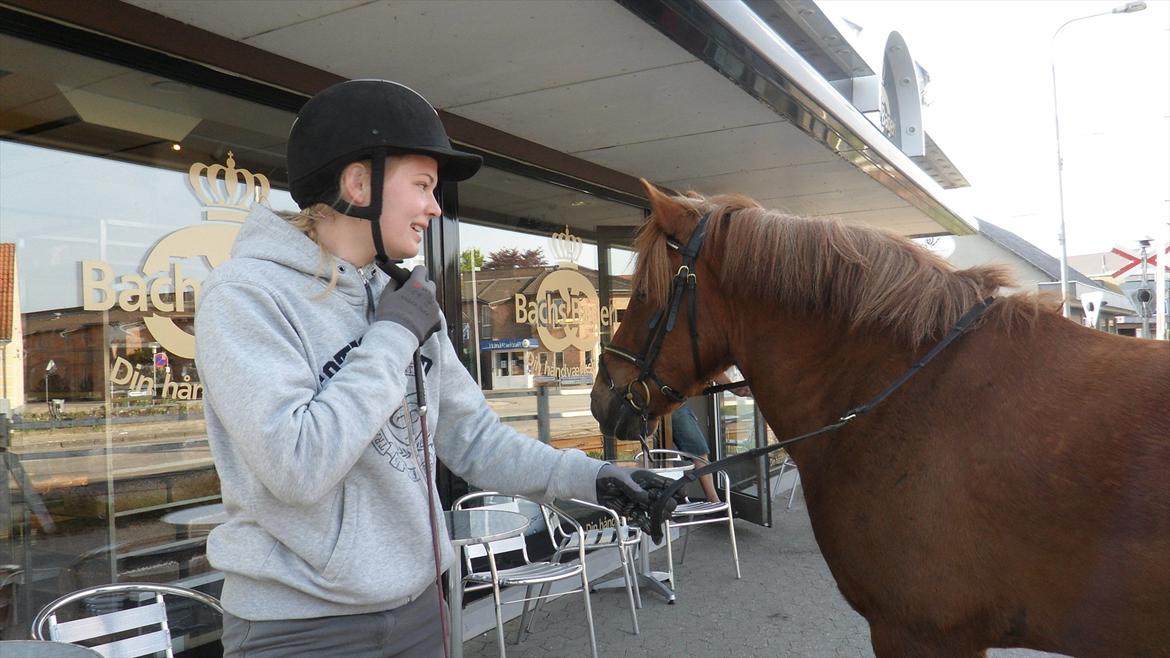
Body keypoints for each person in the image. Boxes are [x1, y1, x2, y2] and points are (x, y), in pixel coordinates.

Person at [195, 79, 673, 658]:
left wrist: (590, 478)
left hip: (422, 607)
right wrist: (392, 336)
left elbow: (473, 440)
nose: (434, 207)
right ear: (359, 183)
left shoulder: (402, 298)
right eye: (422, 185)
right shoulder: (246, 296)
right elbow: (297, 465)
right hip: (300, 627)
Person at [668, 371, 751, 503]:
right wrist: (733, 387)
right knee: (697, 452)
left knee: (699, 451)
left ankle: (714, 501)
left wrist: (734, 387)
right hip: (657, 398)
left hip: (672, 401)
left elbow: (710, 370)